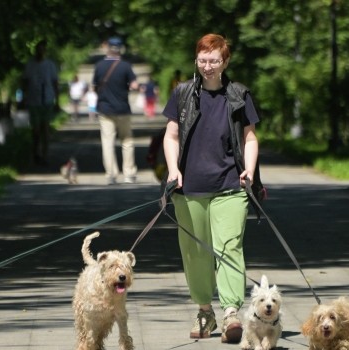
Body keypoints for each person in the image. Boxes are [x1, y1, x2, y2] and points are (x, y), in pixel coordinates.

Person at [162, 33, 261, 344]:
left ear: (225, 61)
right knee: (195, 253)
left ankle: (231, 312)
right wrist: (173, 170)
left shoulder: (239, 95)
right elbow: (171, 136)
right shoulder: (182, 94)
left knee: (229, 247)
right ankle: (205, 311)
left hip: (230, 185)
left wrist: (250, 170)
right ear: (197, 60)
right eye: (202, 60)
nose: (207, 66)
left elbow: (250, 138)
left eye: (214, 60)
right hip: (188, 188)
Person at [92, 36, 139, 185]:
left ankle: (111, 175)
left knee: (107, 142)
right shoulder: (125, 66)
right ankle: (129, 174)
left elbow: (94, 87)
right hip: (123, 109)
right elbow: (134, 85)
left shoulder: (99, 66)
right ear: (120, 49)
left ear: (108, 48)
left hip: (105, 110)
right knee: (127, 141)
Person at [22, 40, 60, 166]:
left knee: (45, 129)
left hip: (47, 100)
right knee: (36, 130)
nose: (40, 52)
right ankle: (35, 153)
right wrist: (23, 98)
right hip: (34, 100)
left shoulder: (50, 65)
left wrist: (57, 101)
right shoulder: (30, 65)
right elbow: (25, 82)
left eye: (42, 50)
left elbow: (55, 83)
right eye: (38, 50)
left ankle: (45, 155)